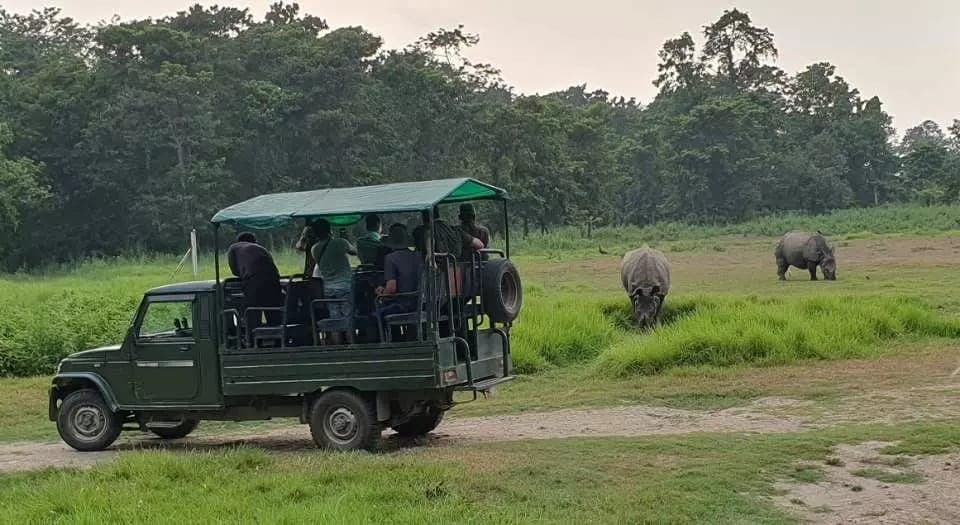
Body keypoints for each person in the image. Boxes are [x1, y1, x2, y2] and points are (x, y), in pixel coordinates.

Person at [375, 224, 425, 340]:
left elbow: (391, 289)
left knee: (376, 315)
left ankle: (393, 344)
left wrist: (381, 292)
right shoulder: (418, 256)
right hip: (420, 304)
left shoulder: (390, 258)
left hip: (403, 305)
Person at [311, 219, 357, 343]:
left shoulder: (314, 249)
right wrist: (346, 238)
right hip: (345, 286)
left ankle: (337, 346)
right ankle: (351, 345)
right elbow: (354, 252)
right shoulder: (341, 242)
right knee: (348, 318)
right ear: (330, 230)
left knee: (335, 319)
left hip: (328, 288)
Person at [227, 232, 283, 326]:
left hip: (253, 279)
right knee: (273, 312)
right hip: (274, 279)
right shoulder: (261, 248)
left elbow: (235, 271)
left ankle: (252, 337)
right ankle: (276, 337)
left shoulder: (233, 248)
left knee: (252, 312)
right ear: (255, 241)